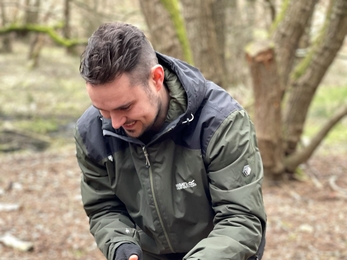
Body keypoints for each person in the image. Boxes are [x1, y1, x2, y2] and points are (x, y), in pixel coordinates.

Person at [75, 22, 267, 260]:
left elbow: (241, 219)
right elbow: (103, 207)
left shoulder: (221, 123)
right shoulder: (91, 131)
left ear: (156, 79)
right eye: (101, 109)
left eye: (125, 106)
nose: (114, 123)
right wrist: (120, 245)